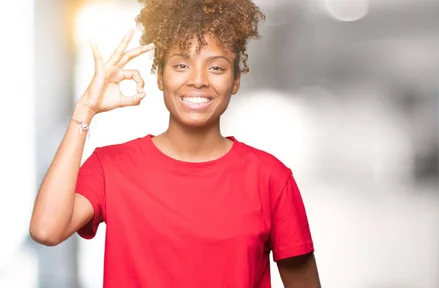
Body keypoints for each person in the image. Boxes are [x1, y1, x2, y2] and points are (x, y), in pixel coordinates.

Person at [29, 0, 321, 287]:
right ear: (160, 76)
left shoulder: (270, 179)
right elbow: (46, 230)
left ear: (235, 81)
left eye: (216, 68)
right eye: (181, 65)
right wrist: (85, 110)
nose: (197, 80)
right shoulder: (111, 167)